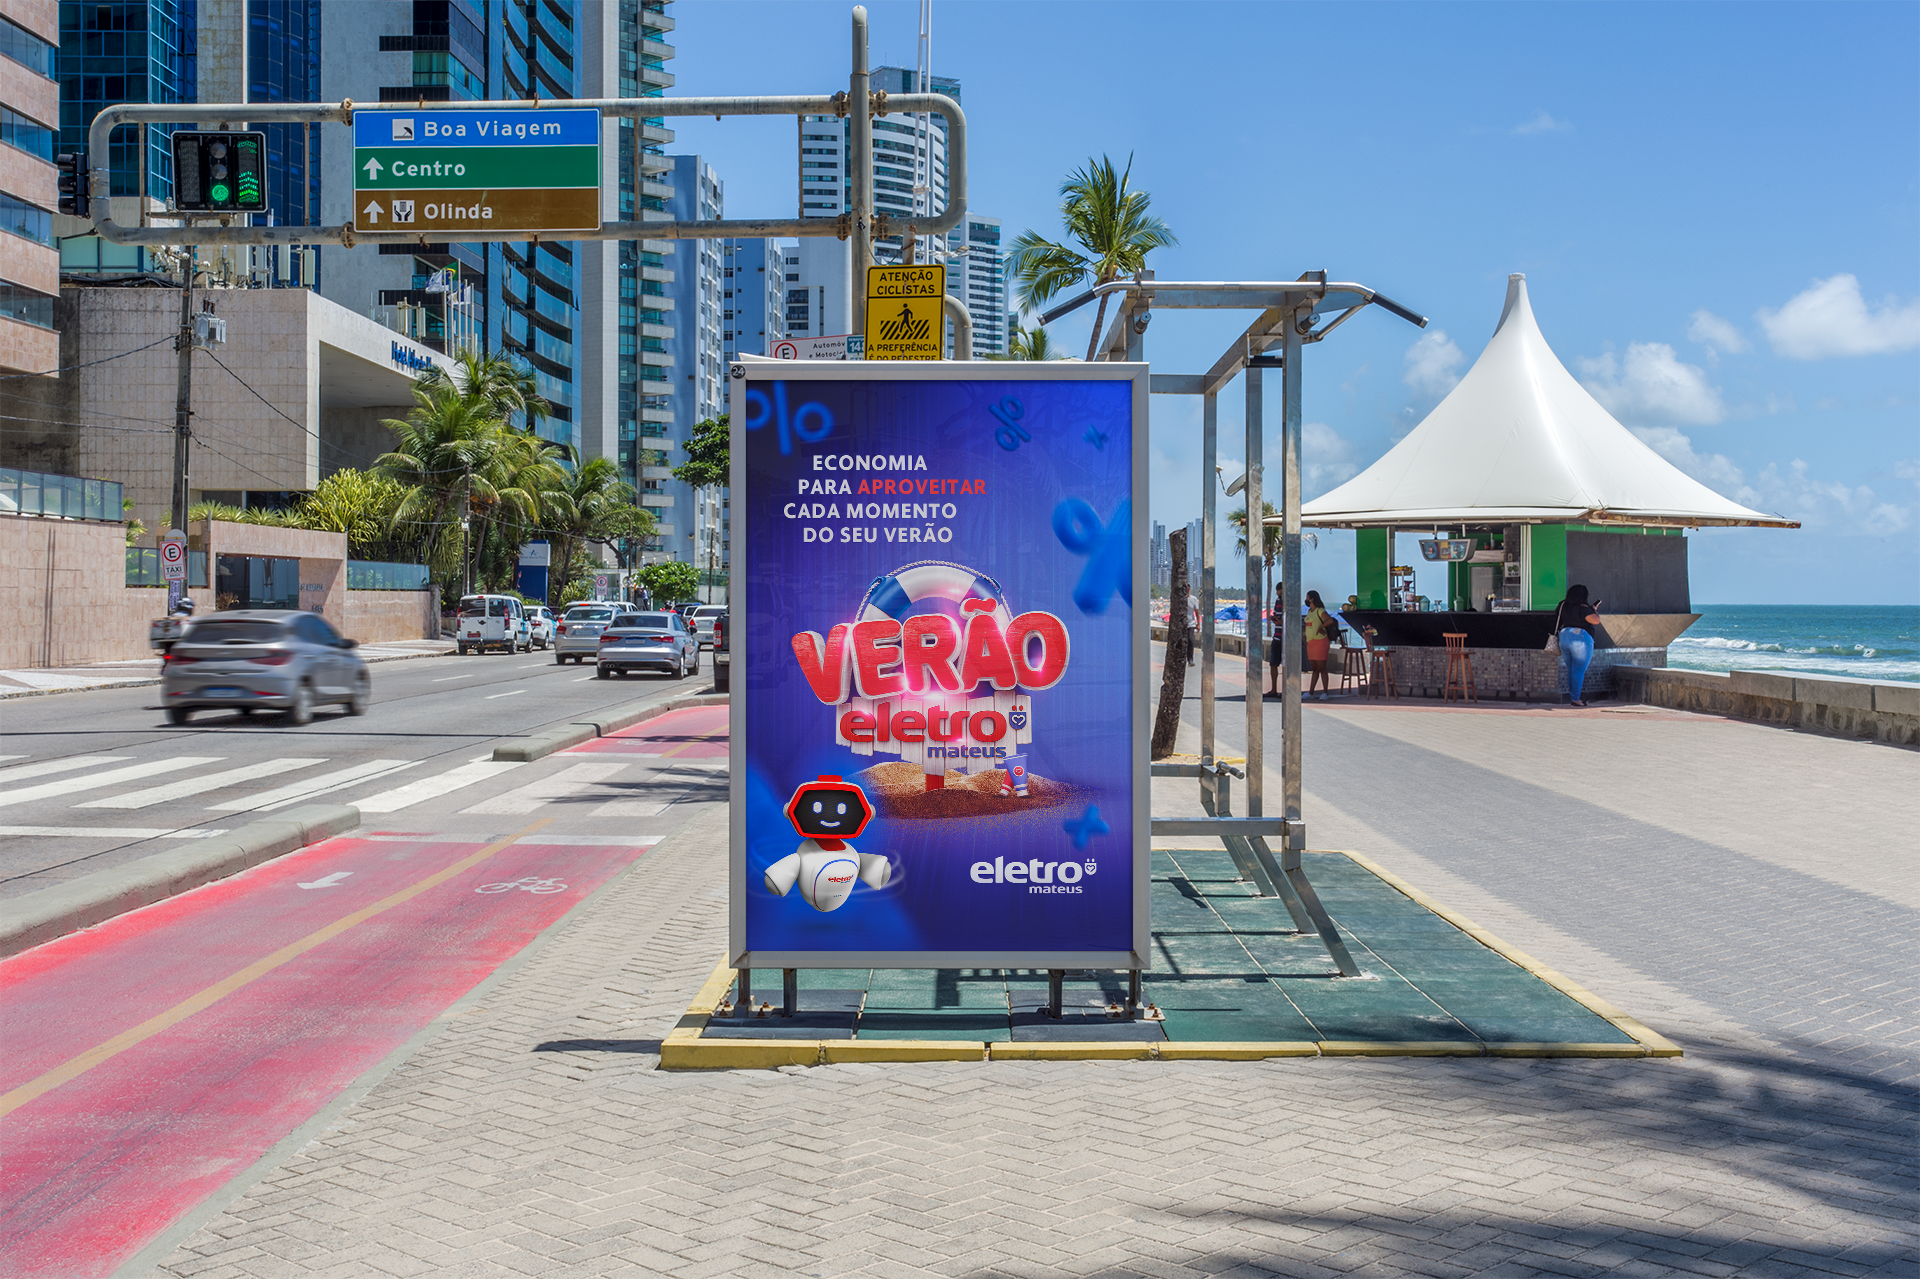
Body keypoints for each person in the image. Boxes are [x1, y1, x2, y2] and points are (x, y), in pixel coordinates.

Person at [1554, 584, 1601, 707]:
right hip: (1580, 637)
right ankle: (1575, 699)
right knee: (1578, 670)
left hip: (1564, 636)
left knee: (1571, 670)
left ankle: (1573, 696)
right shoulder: (1583, 608)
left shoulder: (1563, 605)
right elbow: (1595, 620)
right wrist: (1594, 610)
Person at [1303, 590, 1335, 700]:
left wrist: (1320, 627)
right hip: (1310, 642)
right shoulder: (1309, 611)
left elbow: (1329, 620)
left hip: (1320, 642)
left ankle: (1325, 692)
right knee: (1314, 668)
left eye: (1307, 598)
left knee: (1322, 668)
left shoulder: (1320, 610)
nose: (1306, 600)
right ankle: (1311, 692)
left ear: (1312, 599)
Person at [1266, 583, 1284, 697]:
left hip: (1285, 637)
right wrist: (1275, 619)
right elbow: (1278, 616)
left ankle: (1284, 690)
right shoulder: (1278, 601)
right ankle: (1274, 689)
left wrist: (1280, 621)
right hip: (1277, 636)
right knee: (1273, 664)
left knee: (1284, 665)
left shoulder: (1288, 602)